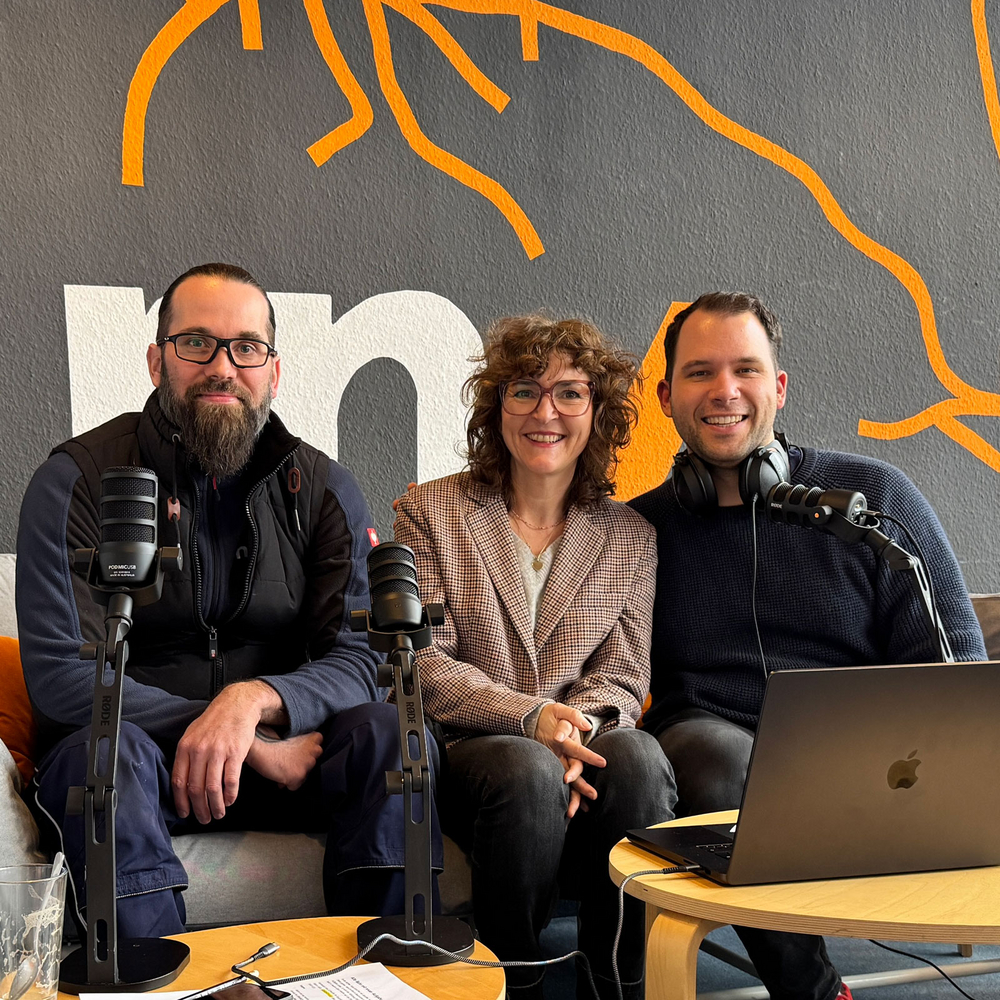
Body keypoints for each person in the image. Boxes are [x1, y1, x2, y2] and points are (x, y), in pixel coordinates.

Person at [16, 262, 420, 937]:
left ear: (274, 370)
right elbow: (63, 676)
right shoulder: (79, 479)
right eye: (196, 343)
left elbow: (360, 661)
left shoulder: (324, 489)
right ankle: (154, 980)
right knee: (102, 755)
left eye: (246, 347)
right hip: (145, 763)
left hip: (294, 761)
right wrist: (230, 731)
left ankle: (383, 970)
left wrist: (253, 702)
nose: (222, 367)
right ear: (157, 360)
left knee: (391, 736)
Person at [629, 291, 987, 1000]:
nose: (724, 391)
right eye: (700, 373)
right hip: (713, 757)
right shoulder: (637, 533)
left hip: (855, 761)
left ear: (779, 387)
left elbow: (954, 668)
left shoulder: (871, 496)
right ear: (667, 395)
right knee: (713, 754)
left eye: (745, 369)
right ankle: (816, 992)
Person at [394, 315, 676, 1000]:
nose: (546, 412)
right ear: (497, 409)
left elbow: (623, 675)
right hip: (473, 757)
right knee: (523, 767)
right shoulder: (429, 511)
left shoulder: (632, 538)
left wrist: (570, 733)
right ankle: (509, 983)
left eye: (570, 393)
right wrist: (535, 720)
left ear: (597, 413)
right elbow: (422, 665)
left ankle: (616, 983)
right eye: (524, 390)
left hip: (584, 750)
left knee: (639, 757)